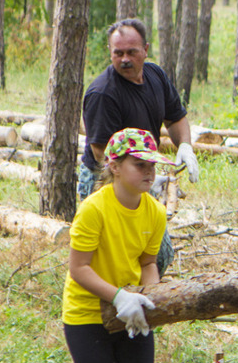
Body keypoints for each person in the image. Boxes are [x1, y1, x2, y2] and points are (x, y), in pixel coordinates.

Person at [48, 128, 174, 363]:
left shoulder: (155, 212)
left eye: (152, 164)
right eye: (139, 165)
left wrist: (153, 300)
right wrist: (117, 295)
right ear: (114, 166)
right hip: (87, 311)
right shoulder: (93, 209)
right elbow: (78, 269)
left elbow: (149, 263)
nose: (149, 172)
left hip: (131, 311)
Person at [79, 18, 199, 274]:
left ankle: (142, 301)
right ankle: (114, 304)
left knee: (156, 255)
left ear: (145, 49)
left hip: (138, 174)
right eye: (117, 53)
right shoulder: (103, 94)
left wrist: (185, 146)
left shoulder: (155, 75)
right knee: (111, 260)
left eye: (131, 52)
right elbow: (103, 154)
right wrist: (140, 179)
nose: (124, 59)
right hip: (106, 180)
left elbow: (175, 117)